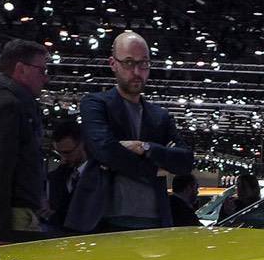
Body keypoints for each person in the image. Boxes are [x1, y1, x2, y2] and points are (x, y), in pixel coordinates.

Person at [67, 30, 193, 232]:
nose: (137, 71)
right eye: (128, 62)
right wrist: (157, 168)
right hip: (102, 220)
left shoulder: (160, 116)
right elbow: (105, 151)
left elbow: (185, 161)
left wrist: (145, 147)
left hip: (154, 222)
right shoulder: (95, 104)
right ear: (113, 64)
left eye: (143, 63)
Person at [0, 38, 50, 234]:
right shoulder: (10, 105)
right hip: (10, 213)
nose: (45, 78)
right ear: (21, 69)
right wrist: (3, 226)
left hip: (7, 210)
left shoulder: (2, 101)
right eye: (41, 70)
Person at [47, 120, 86, 228]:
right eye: (59, 153)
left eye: (67, 152)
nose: (63, 157)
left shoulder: (101, 174)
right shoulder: (56, 176)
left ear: (82, 144)